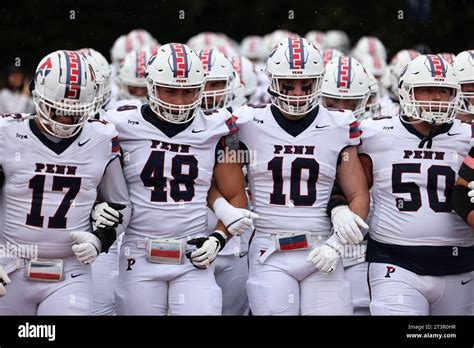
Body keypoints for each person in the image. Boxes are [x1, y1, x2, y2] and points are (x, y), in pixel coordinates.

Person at [105, 43, 255, 315]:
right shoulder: (121, 124)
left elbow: (235, 195)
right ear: (151, 87)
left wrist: (217, 239)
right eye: (170, 91)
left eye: (188, 92)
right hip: (138, 250)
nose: (180, 101)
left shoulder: (217, 127)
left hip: (193, 252)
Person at [232, 36, 369, 315]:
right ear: (272, 81)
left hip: (321, 247)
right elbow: (222, 175)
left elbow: (358, 194)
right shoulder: (246, 122)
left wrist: (336, 244)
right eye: (288, 85)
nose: (296, 93)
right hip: (269, 249)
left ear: (319, 82)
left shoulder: (338, 124)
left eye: (306, 85)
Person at [0, 50, 131, 315]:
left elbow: (121, 204)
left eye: (74, 112)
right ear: (37, 97)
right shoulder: (7, 134)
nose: (65, 120)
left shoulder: (101, 138)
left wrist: (99, 239)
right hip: (9, 265)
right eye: (57, 109)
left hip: (70, 270)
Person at [356, 54, 473, 315]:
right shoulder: (373, 133)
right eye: (427, 90)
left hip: (460, 265)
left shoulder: (468, 136)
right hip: (394, 262)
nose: (437, 99)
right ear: (406, 92)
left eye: (444, 91)